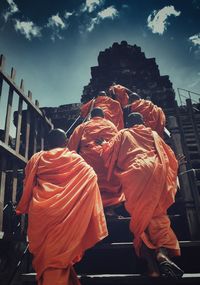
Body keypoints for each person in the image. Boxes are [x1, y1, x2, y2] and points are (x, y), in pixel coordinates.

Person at [16, 129, 108, 285]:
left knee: (50, 258)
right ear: (66, 143)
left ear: (48, 143)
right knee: (57, 258)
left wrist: (23, 206)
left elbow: (28, 186)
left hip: (42, 213)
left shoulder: (37, 159)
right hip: (67, 213)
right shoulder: (75, 159)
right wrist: (81, 203)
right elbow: (92, 175)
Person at [97, 113, 183, 278]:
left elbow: (108, 153)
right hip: (155, 171)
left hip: (134, 175)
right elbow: (169, 156)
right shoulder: (153, 133)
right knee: (157, 214)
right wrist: (175, 167)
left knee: (140, 220)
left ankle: (151, 267)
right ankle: (161, 253)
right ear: (143, 122)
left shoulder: (122, 134)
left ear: (128, 123)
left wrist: (103, 145)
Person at [68, 108, 125, 212]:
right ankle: (109, 209)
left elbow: (71, 149)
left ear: (90, 117)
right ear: (103, 116)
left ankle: (91, 210)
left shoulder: (82, 127)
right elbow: (119, 148)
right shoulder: (112, 126)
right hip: (109, 172)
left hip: (89, 171)